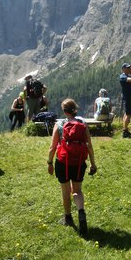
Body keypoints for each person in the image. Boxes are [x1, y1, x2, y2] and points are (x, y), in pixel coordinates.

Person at [47, 98, 97, 236]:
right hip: (79, 161)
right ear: (75, 109)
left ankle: (68, 218)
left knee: (65, 191)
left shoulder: (60, 125)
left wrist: (49, 163)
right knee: (77, 190)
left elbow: (52, 147)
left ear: (64, 111)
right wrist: (93, 163)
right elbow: (89, 145)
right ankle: (81, 211)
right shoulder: (83, 124)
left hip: (63, 162)